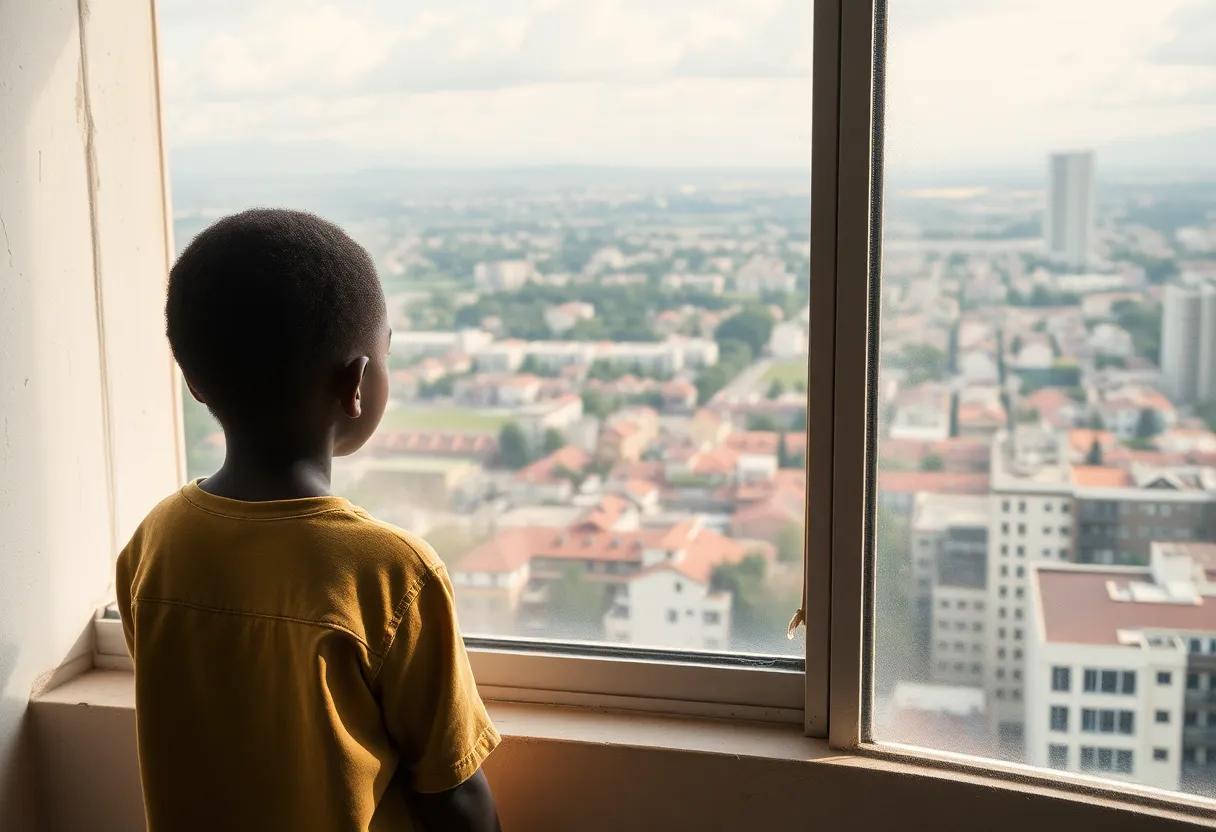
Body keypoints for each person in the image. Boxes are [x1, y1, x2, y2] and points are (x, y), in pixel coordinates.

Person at [115, 209, 502, 831]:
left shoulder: (155, 541)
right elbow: (454, 793)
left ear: (194, 382)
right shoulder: (390, 572)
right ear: (357, 384)